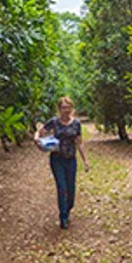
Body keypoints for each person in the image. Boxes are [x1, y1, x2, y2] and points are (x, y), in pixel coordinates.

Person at [35, 96, 89, 229]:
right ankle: (63, 217)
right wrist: (37, 139)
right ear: (59, 109)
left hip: (71, 159)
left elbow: (79, 142)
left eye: (68, 107)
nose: (66, 110)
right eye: (63, 107)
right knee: (61, 187)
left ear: (71, 108)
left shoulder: (76, 123)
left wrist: (85, 160)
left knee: (71, 190)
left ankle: (68, 207)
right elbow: (41, 132)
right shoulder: (54, 122)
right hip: (57, 159)